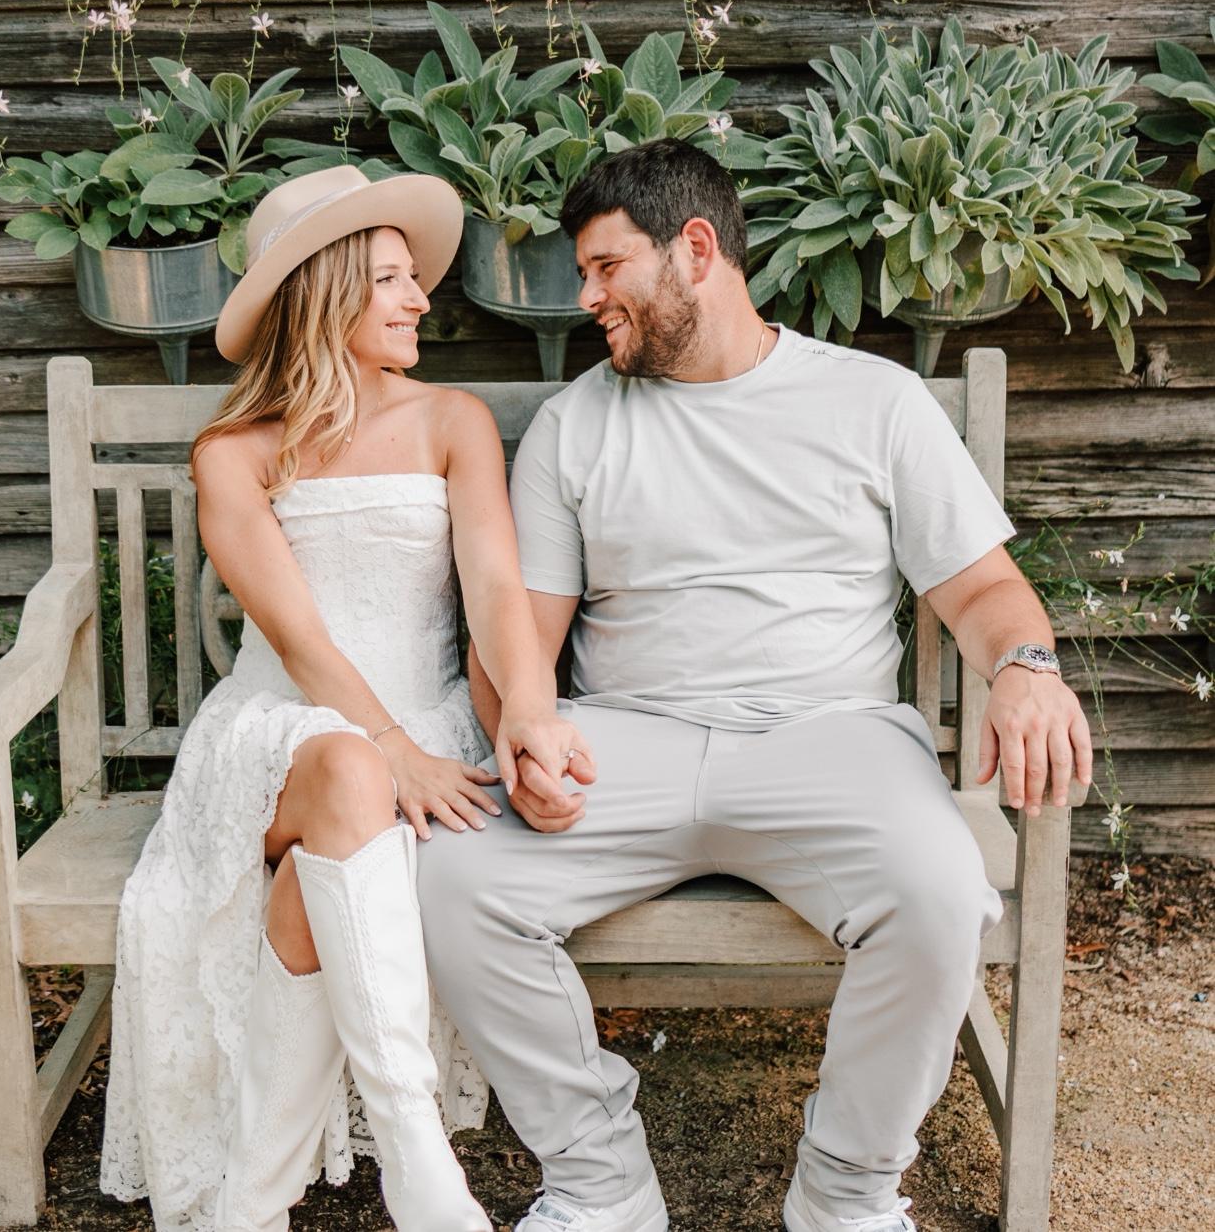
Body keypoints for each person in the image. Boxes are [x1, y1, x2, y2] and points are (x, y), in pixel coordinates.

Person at [416, 138, 1094, 1232]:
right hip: (623, 741)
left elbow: (983, 589)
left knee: (936, 888)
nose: (586, 297)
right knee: (453, 882)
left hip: (831, 739)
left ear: (694, 249)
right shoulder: (575, 425)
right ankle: (598, 1183)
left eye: (605, 267)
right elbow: (519, 646)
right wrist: (518, 740)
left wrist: (1025, 666)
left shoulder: (873, 401)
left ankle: (845, 1194)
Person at [100, 165, 592, 1232]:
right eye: (391, 279)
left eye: (415, 277)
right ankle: (416, 1150)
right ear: (325, 292)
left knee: (314, 878)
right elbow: (300, 641)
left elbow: (496, 591)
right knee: (351, 770)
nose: (420, 297)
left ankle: (249, 1201)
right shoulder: (233, 453)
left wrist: (529, 710)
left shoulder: (453, 421)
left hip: (427, 728)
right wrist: (386, 743)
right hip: (281, 734)